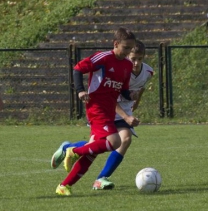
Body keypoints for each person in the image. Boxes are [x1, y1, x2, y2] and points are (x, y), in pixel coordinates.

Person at [52, 40, 153, 191]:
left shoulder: (147, 72)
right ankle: (70, 149)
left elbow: (137, 91)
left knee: (123, 140)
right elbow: (111, 95)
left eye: (140, 59)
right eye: (133, 58)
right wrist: (126, 116)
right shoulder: (118, 65)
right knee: (100, 145)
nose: (136, 63)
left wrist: (133, 105)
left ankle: (99, 178)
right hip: (109, 110)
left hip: (122, 111)